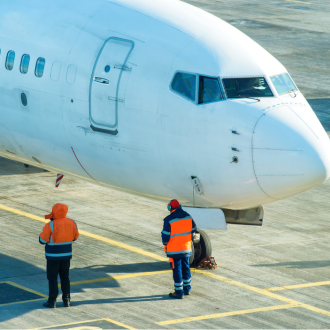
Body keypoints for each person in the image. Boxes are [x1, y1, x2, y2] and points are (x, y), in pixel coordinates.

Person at [39, 203, 79, 308]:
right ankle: (67, 301)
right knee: (65, 277)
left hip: (53, 256)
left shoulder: (51, 225)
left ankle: (52, 301)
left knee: (52, 278)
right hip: (66, 255)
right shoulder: (72, 223)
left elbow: (42, 240)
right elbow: (75, 237)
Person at [161, 199, 197, 299]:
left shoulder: (169, 220)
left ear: (170, 208)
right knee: (186, 267)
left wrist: (165, 243)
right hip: (186, 249)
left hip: (174, 250)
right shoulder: (188, 217)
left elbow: (165, 236)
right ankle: (187, 289)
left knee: (177, 270)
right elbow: (194, 229)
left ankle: (178, 292)